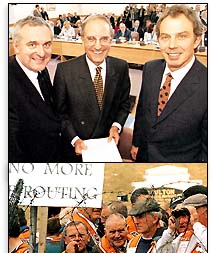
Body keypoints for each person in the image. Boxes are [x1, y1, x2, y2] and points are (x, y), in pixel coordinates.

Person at [131, 4, 207, 162]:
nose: (172, 45)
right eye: (165, 37)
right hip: (143, 161)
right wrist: (136, 143)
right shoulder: (151, 68)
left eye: (182, 36)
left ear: (197, 40)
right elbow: (142, 110)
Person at [53, 14, 131, 161]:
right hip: (75, 151)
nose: (97, 46)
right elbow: (59, 113)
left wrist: (116, 126)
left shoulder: (121, 67)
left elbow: (124, 104)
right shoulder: (65, 71)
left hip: (108, 149)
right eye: (91, 39)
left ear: (111, 39)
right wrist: (74, 139)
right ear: (82, 39)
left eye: (104, 39)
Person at [9, 16, 62, 162]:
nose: (42, 53)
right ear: (16, 46)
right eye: (32, 44)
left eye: (46, 44)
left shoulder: (40, 69)